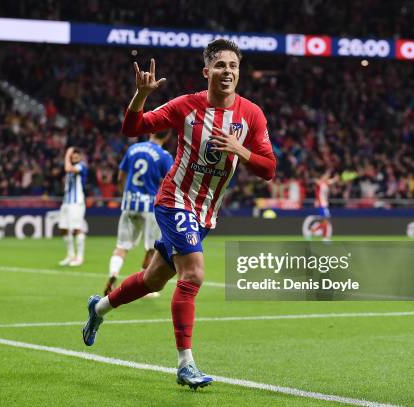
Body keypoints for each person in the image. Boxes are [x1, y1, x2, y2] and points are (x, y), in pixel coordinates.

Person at [82, 39, 276, 389]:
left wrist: (240, 150)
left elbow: (269, 169)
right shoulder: (186, 106)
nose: (227, 71)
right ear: (207, 72)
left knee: (153, 280)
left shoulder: (252, 115)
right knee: (194, 275)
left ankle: (99, 309)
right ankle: (186, 364)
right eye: (220, 65)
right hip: (175, 200)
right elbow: (133, 129)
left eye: (233, 65)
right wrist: (140, 95)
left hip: (205, 213)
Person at [104, 132, 174, 296]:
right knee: (151, 248)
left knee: (121, 246)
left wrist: (124, 194)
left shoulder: (133, 149)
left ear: (151, 132)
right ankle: (146, 286)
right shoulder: (164, 156)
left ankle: (113, 274)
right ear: (167, 137)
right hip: (150, 206)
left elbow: (121, 176)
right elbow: (170, 182)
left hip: (129, 203)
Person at [59, 147, 88, 267]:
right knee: (63, 228)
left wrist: (67, 154)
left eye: (76, 156)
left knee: (77, 228)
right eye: (72, 156)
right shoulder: (72, 170)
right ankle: (70, 255)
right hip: (66, 202)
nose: (73, 158)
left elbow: (67, 168)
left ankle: (79, 257)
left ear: (80, 157)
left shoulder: (82, 166)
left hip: (76, 203)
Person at [310, 169, 339, 242]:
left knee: (324, 221)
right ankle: (324, 237)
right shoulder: (320, 183)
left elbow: (333, 180)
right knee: (326, 221)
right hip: (321, 205)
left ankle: (314, 231)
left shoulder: (326, 183)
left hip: (324, 205)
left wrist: (335, 178)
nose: (327, 177)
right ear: (322, 176)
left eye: (328, 176)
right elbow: (314, 180)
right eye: (326, 176)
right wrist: (326, 175)